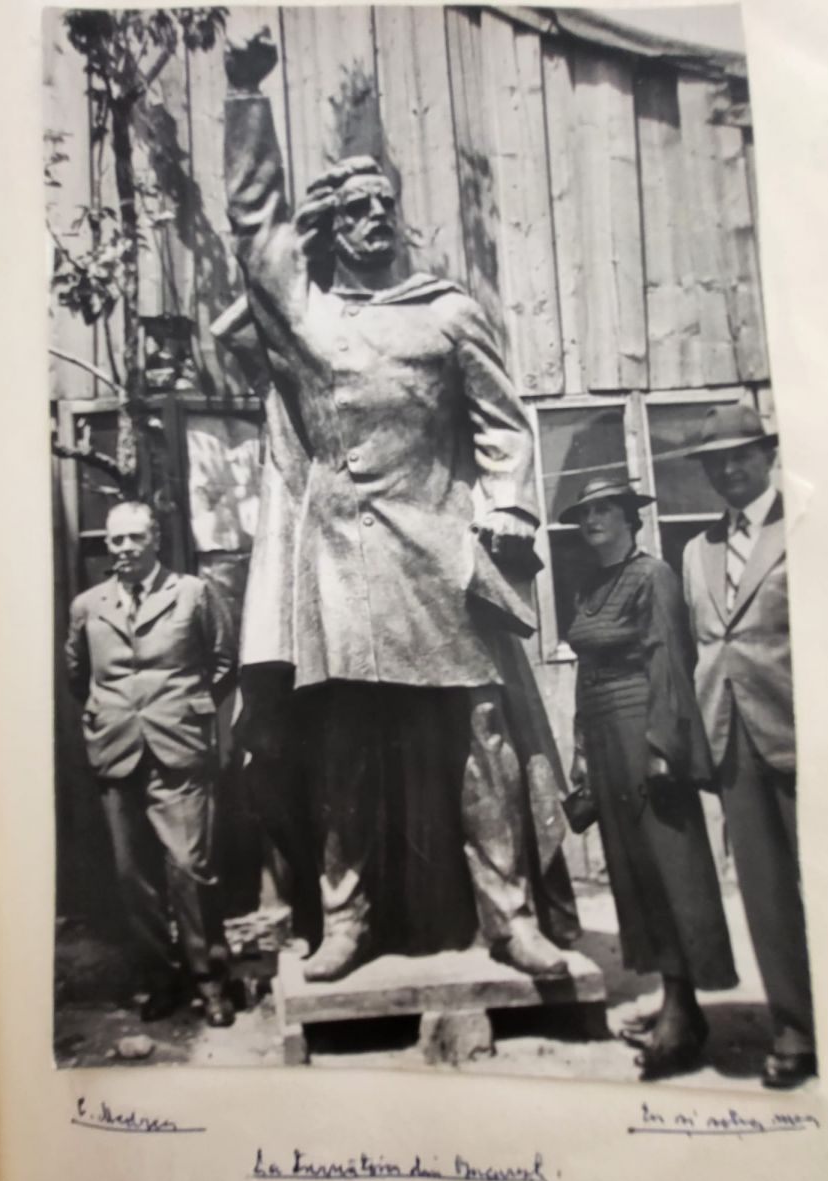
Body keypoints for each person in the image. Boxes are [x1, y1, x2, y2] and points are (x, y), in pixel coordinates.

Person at [213, 27, 579, 983]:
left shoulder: (447, 312)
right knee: (343, 753)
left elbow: (504, 426)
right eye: (355, 208)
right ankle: (346, 920)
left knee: (480, 739)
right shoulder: (307, 317)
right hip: (339, 573)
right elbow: (254, 226)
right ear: (331, 227)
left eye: (385, 205)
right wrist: (246, 96)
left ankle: (510, 919)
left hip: (442, 557)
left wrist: (508, 507)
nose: (374, 217)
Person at [561, 478, 737, 1081]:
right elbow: (585, 671)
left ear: (630, 518)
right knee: (635, 870)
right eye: (585, 512)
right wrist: (582, 753)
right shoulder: (589, 585)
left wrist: (664, 747)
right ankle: (674, 1000)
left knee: (672, 868)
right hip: (604, 736)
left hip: (644, 730)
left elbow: (669, 662)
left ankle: (685, 1012)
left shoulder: (653, 575)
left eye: (605, 509)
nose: (592, 520)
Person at [683, 404, 816, 1088]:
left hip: (810, 734)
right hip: (732, 739)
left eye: (740, 454)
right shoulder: (696, 550)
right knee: (764, 893)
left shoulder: (808, 525)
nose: (727, 469)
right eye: (714, 460)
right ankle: (795, 1029)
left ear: (768, 453)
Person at [64, 501, 237, 1027]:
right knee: (131, 875)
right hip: (116, 749)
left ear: (155, 540)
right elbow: (77, 674)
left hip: (178, 748)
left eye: (134, 537)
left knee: (189, 868)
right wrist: (110, 715)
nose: (124, 548)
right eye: (115, 540)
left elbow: (223, 661)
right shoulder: (88, 606)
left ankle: (210, 982)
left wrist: (186, 709)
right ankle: (160, 980)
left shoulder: (193, 594)